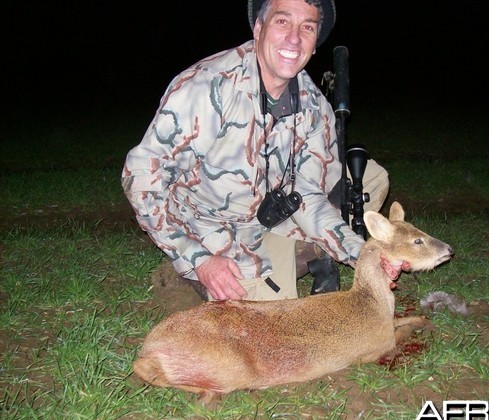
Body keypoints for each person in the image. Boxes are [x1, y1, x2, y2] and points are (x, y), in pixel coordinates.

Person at [121, 0, 389, 301]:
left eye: (308, 27)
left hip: (268, 216)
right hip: (208, 226)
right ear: (258, 28)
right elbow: (141, 178)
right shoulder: (207, 88)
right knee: (269, 331)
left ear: (315, 44)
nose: (294, 38)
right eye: (283, 22)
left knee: (371, 178)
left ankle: (301, 255)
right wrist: (198, 259)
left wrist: (360, 254)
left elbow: (308, 195)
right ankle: (192, 272)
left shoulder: (313, 106)